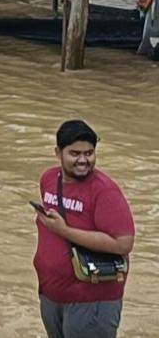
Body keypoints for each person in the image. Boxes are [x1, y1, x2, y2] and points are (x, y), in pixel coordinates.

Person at [34, 120, 135, 338]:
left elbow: (124, 243)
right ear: (58, 153)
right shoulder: (49, 179)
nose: (83, 160)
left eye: (89, 153)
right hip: (53, 294)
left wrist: (65, 231)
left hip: (93, 297)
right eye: (75, 153)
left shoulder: (105, 191)